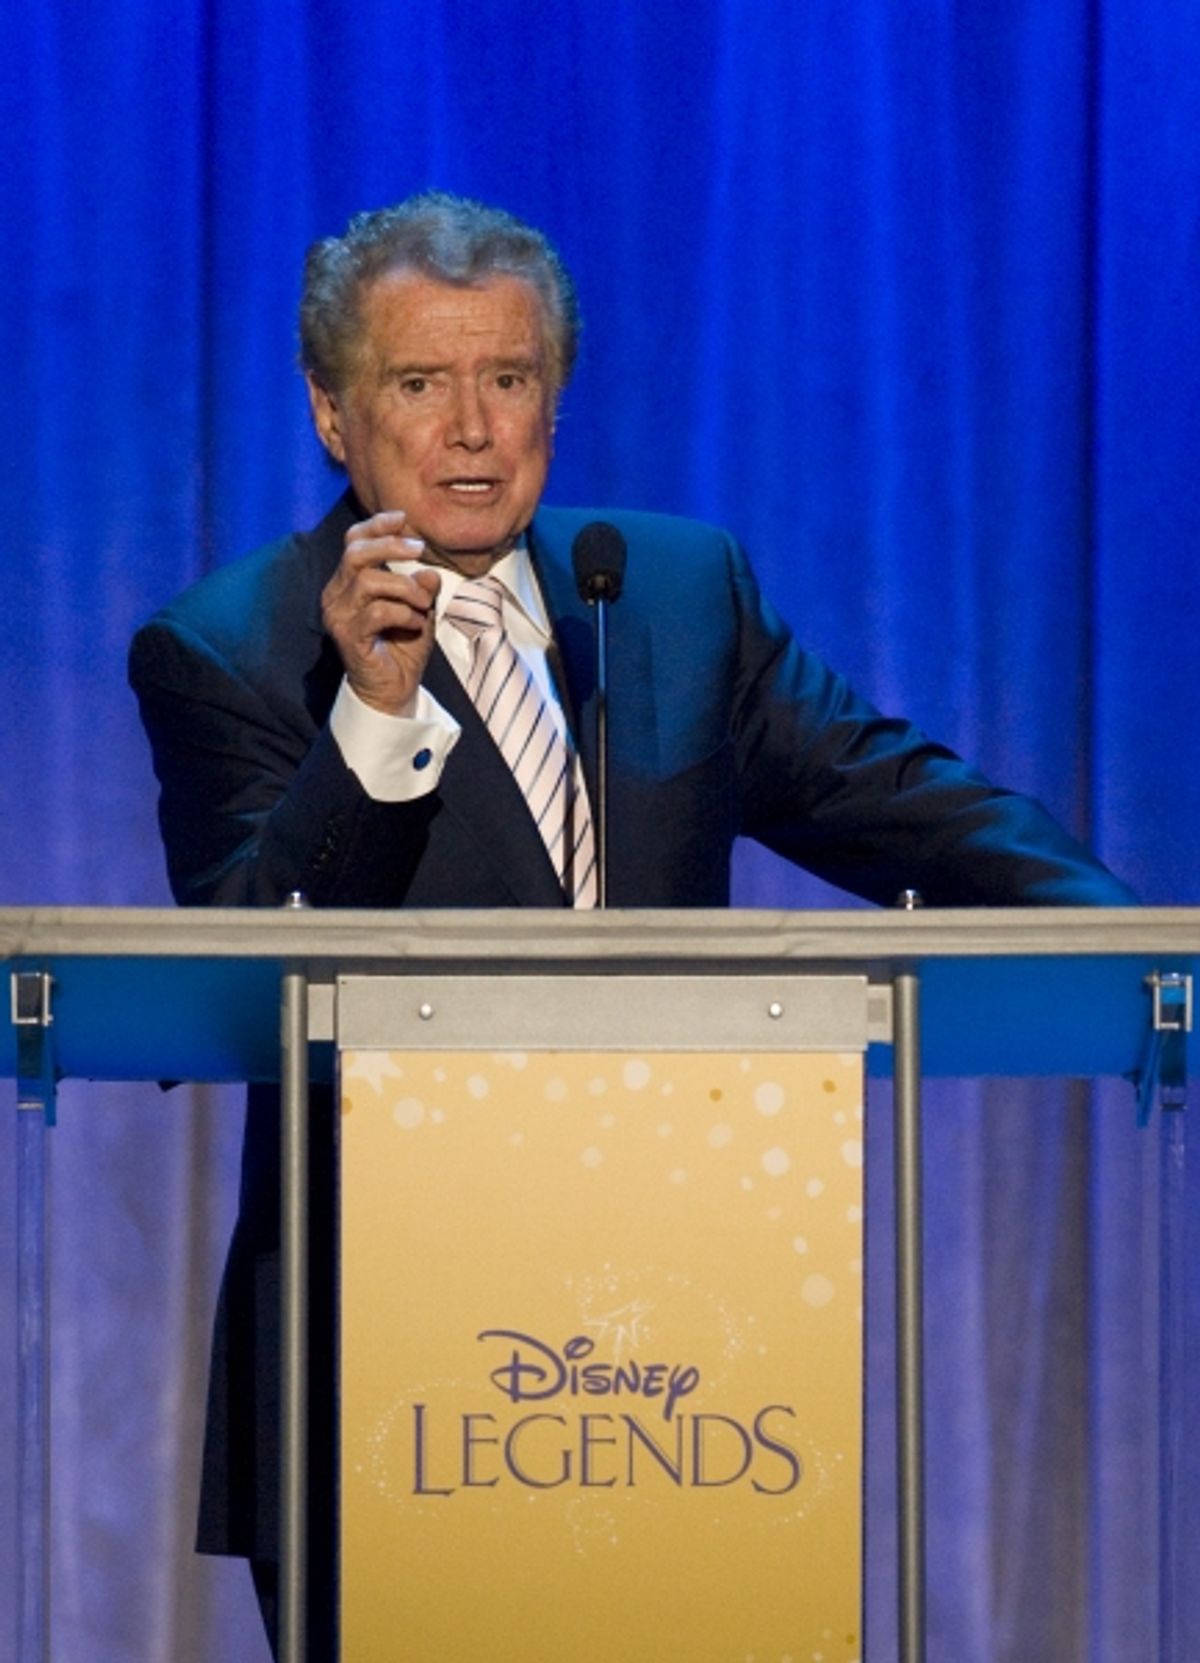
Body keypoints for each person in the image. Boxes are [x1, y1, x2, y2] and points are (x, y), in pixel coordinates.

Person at [129, 191, 1136, 1657]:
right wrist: (373, 713)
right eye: (421, 383)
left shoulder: (666, 592)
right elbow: (240, 972)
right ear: (336, 418)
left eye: (511, 378)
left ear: (556, 397)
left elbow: (893, 798)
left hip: (679, 1349)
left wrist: (1132, 938)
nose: (472, 428)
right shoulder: (227, 647)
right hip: (385, 1363)